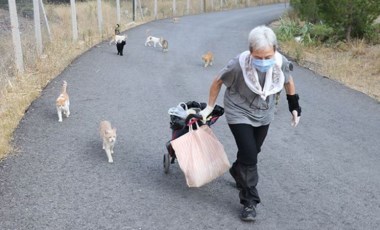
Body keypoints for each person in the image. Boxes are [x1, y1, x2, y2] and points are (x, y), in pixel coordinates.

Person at [199, 25, 302, 221]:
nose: (263, 61)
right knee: (249, 154)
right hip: (239, 110)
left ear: (275, 51)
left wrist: (294, 106)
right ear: (250, 51)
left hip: (264, 112)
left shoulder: (280, 62)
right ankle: (249, 201)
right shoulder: (238, 65)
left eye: (268, 57)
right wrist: (210, 107)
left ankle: (237, 169)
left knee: (254, 150)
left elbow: (288, 81)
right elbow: (218, 80)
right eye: (258, 57)